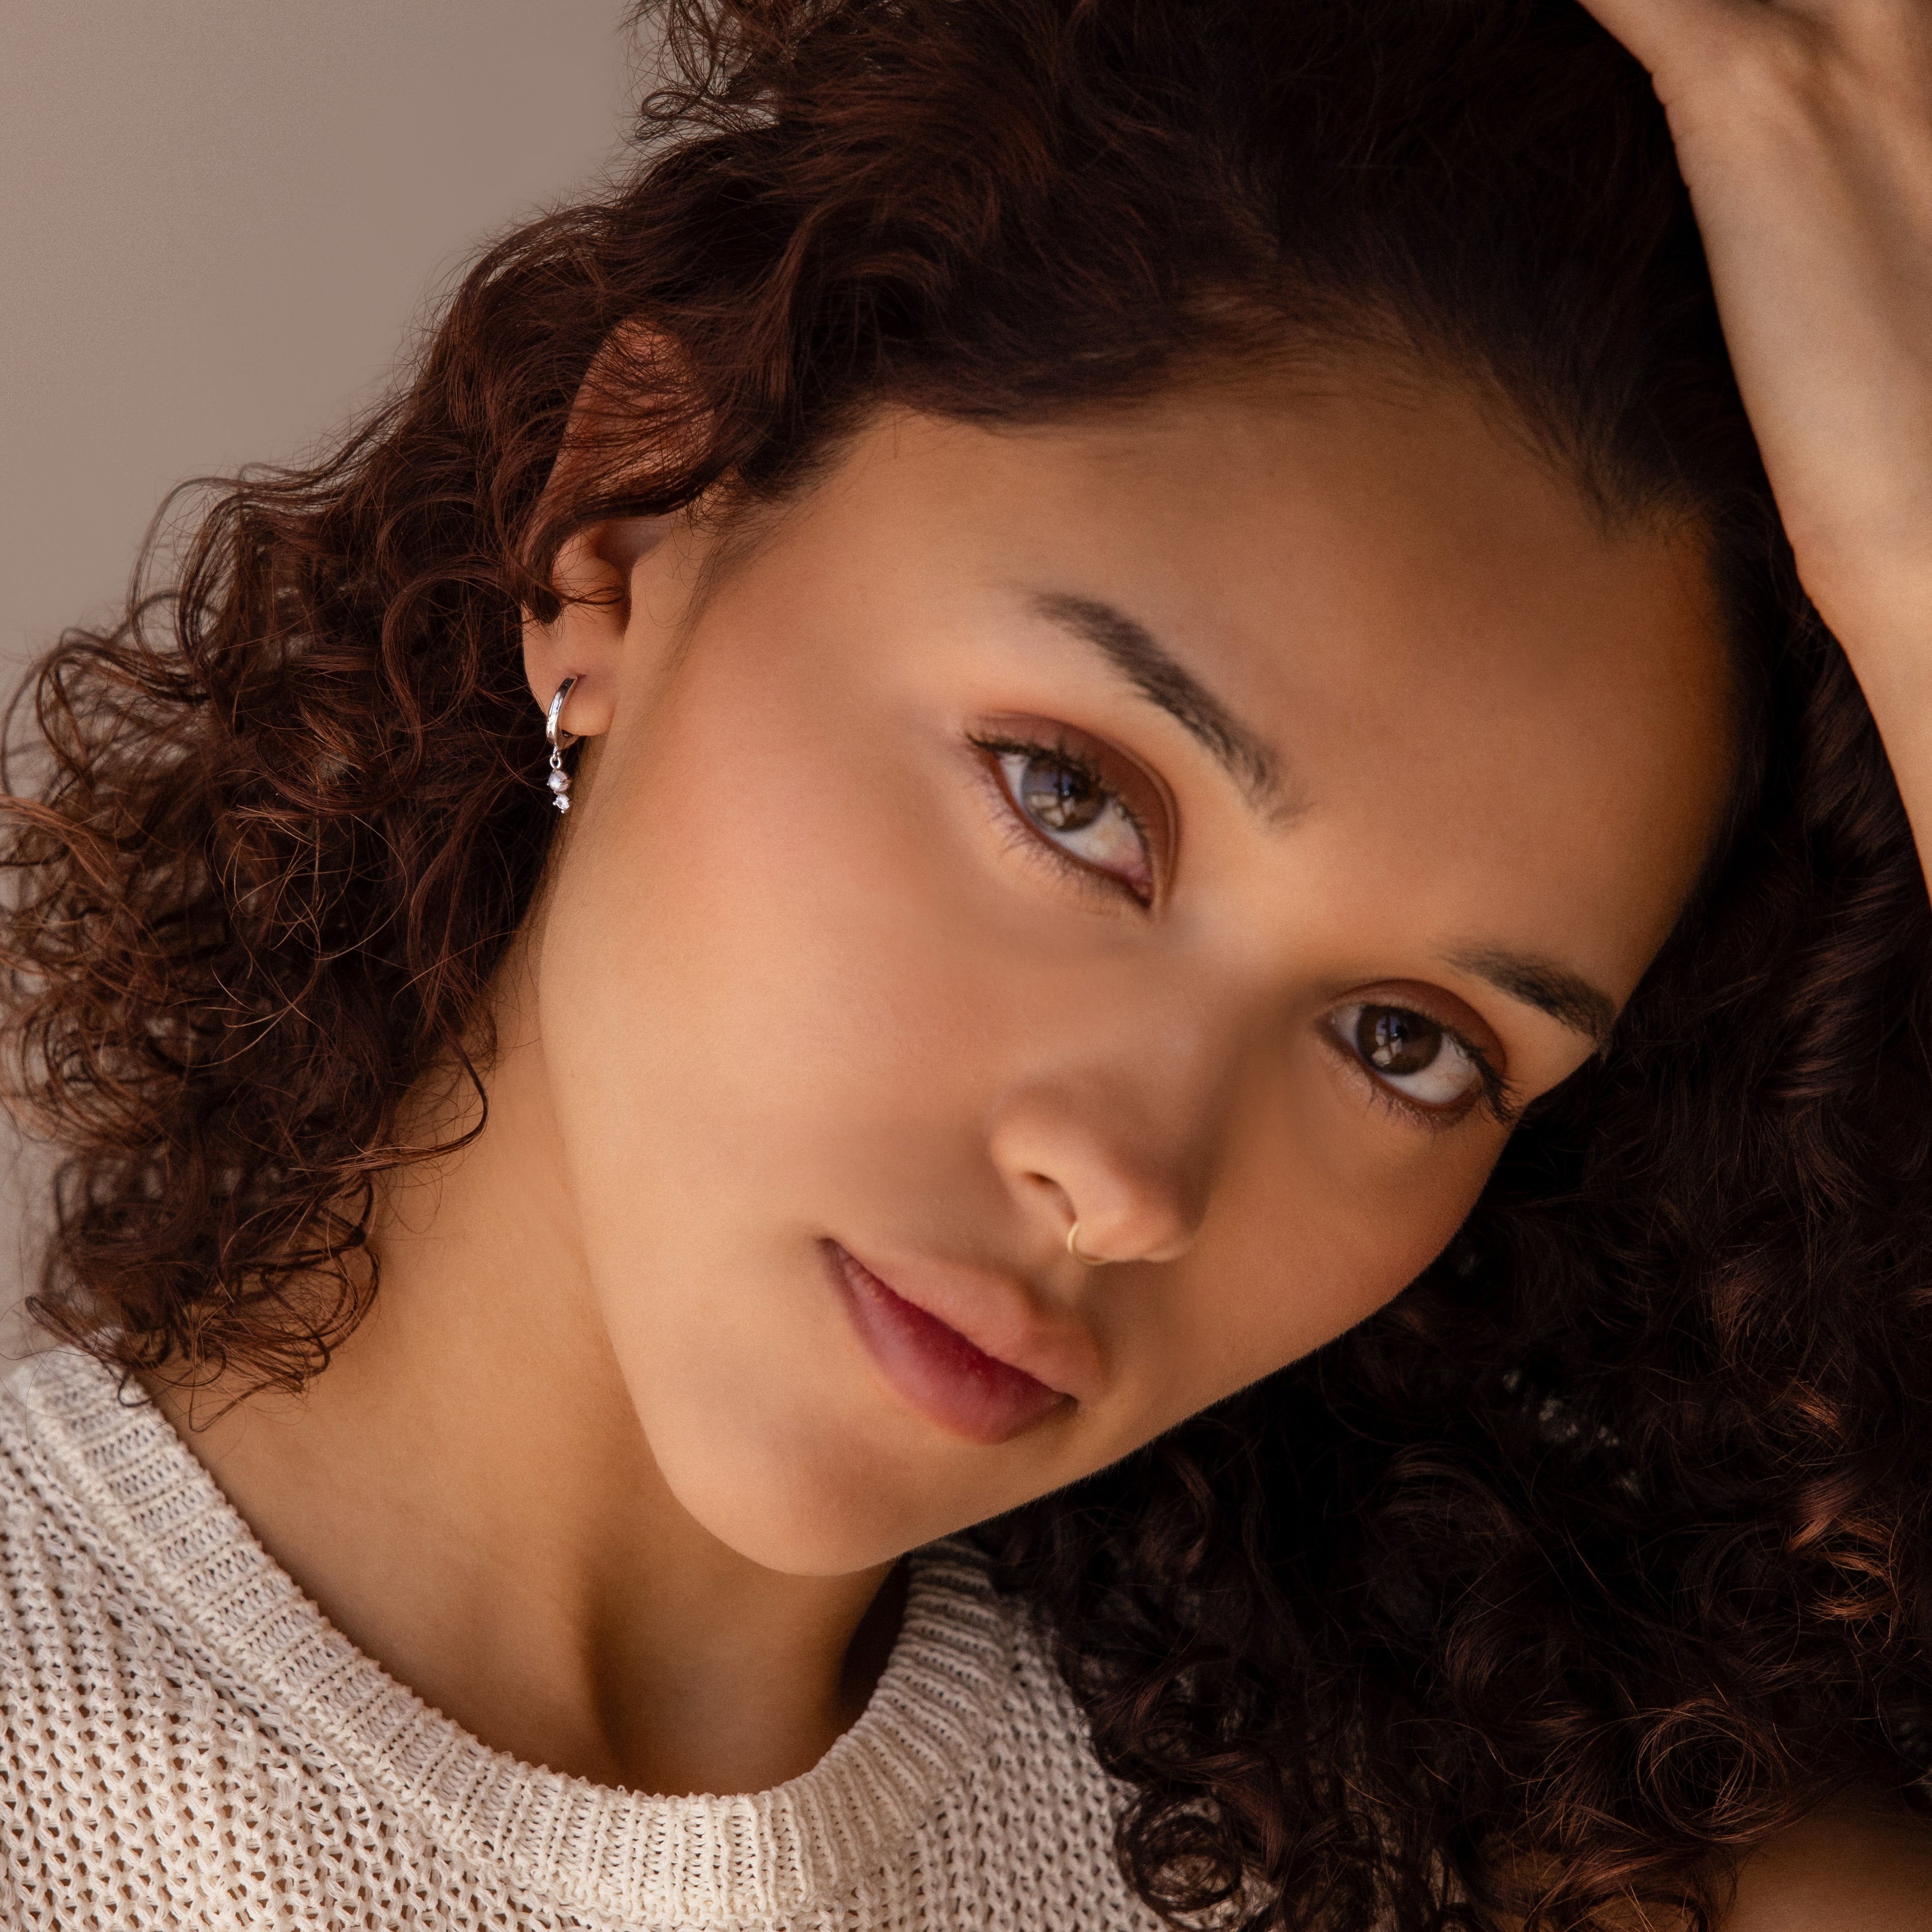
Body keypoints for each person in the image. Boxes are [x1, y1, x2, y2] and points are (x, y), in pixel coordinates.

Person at [0, 0, 1927, 1925]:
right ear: (627, 531)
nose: (1131, 1184)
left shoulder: (1484, 1864)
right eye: (1071, 796)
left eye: (1405, 1042)